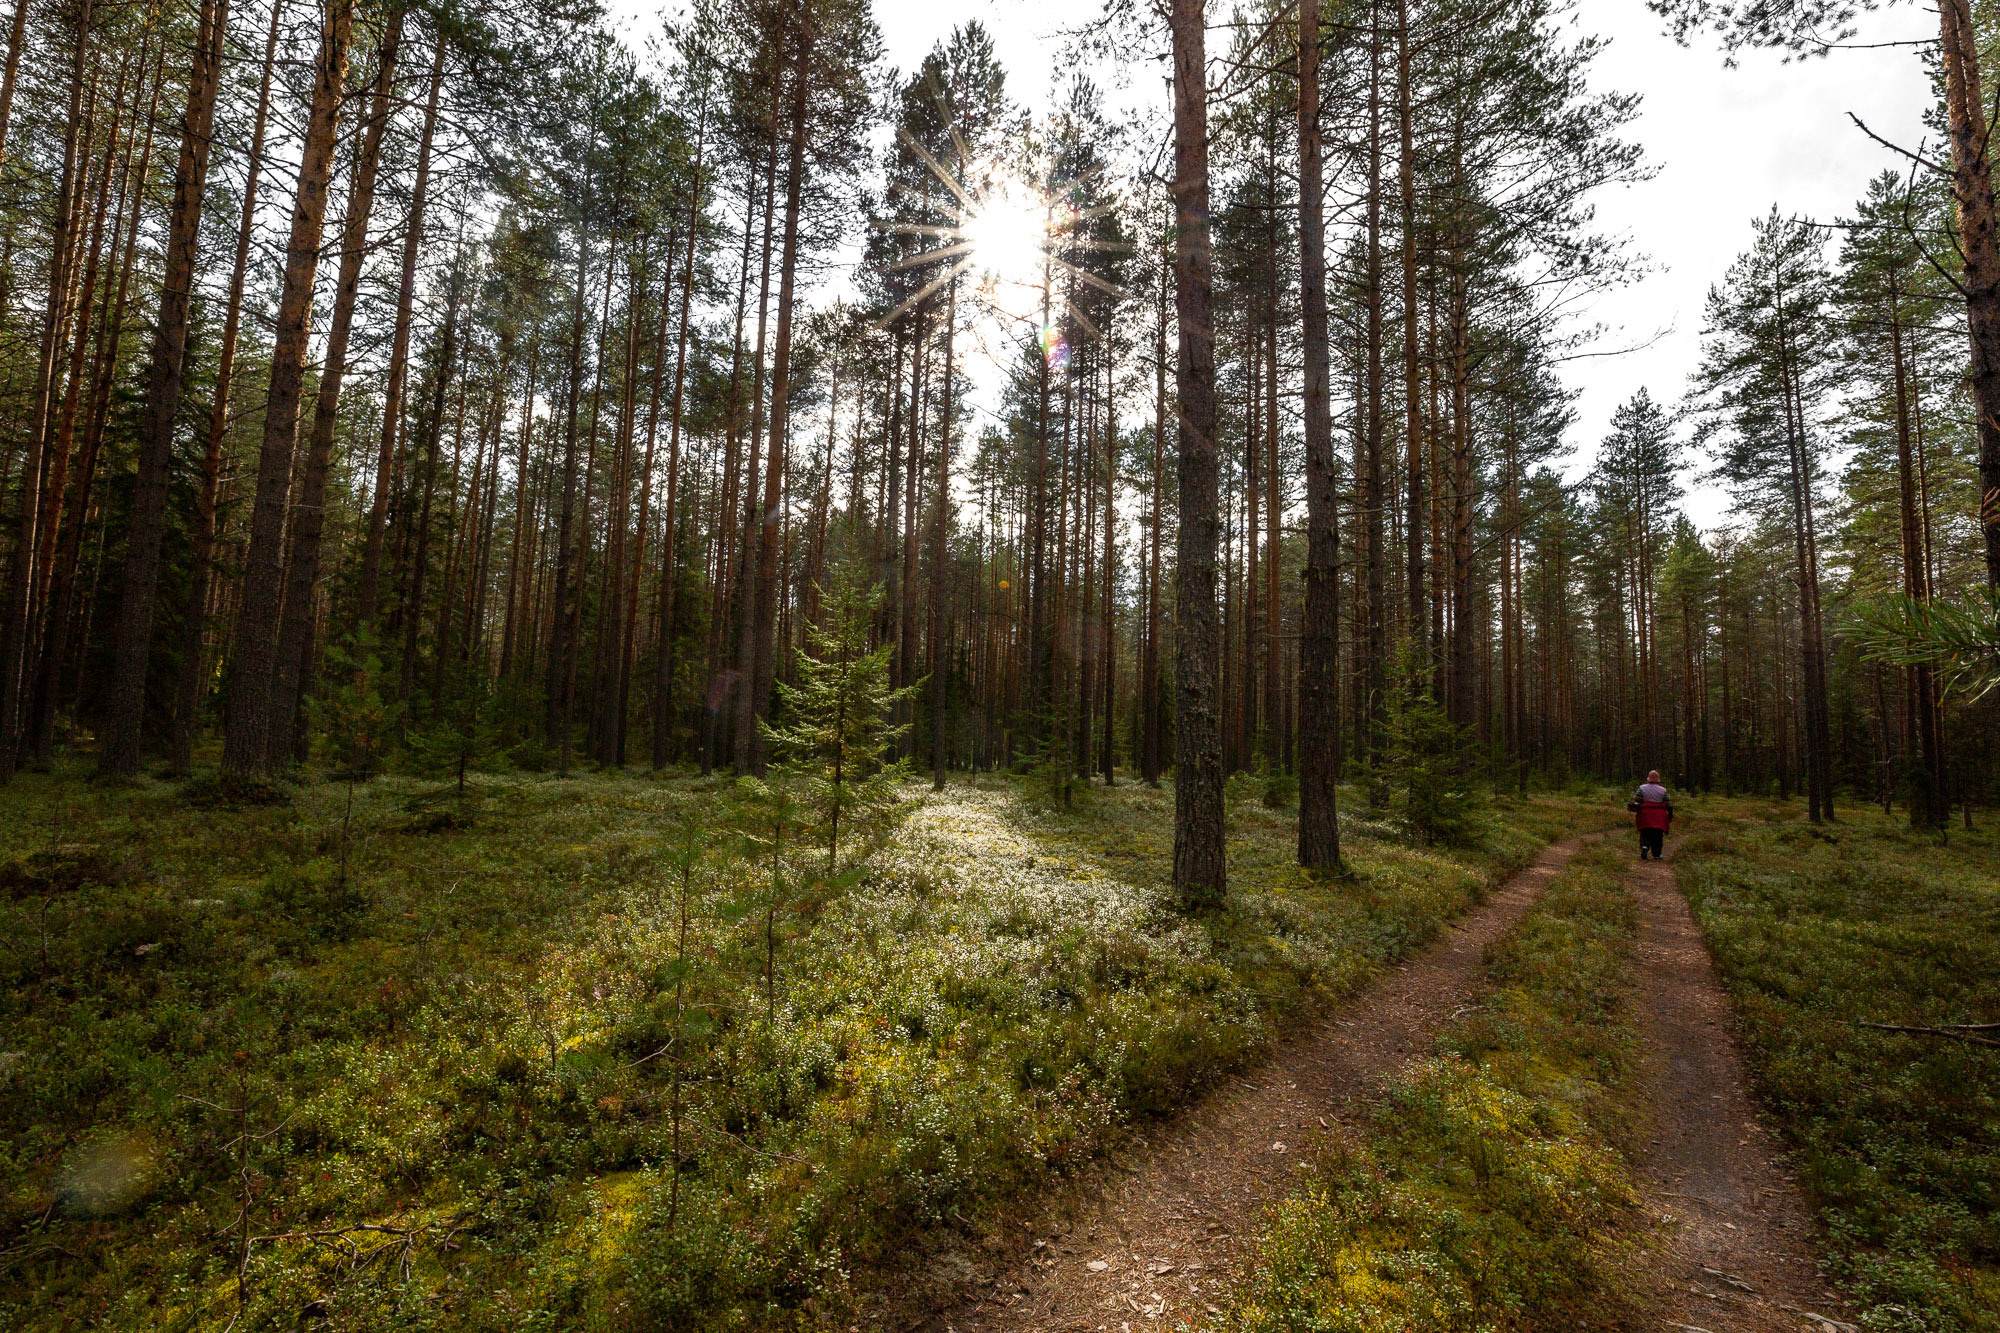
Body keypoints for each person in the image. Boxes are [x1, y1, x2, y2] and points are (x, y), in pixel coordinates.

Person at [1628, 770, 1672, 860]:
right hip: (1659, 815)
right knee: (1658, 835)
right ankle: (1656, 854)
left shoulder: (1642, 788)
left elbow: (1637, 799)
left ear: (1648, 779)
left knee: (1645, 831)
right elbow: (1668, 803)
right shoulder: (1663, 790)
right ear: (1658, 780)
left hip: (1645, 813)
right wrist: (1670, 814)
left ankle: (1644, 846)